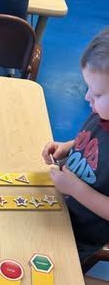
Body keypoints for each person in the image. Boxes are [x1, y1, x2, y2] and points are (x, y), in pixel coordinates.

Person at [42, 28, 109, 262]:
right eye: (88, 88)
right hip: (58, 206)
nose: (87, 98)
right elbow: (93, 142)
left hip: (77, 235)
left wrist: (75, 189)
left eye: (98, 93)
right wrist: (68, 147)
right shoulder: (103, 114)